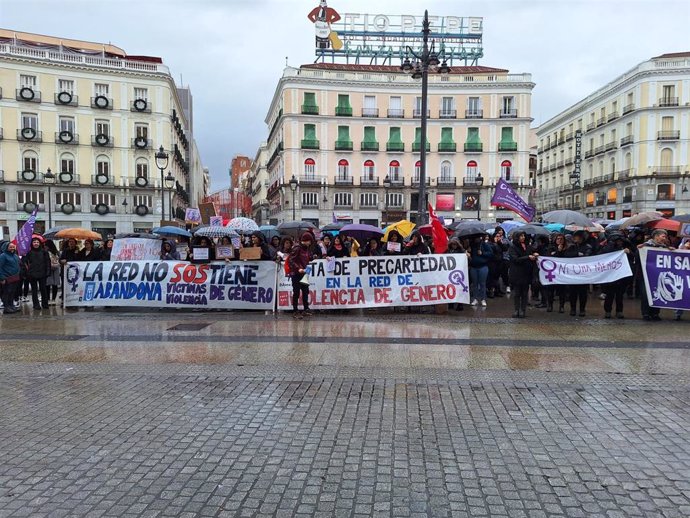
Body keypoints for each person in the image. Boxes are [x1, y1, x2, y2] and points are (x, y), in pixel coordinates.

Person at [638, 229, 673, 321]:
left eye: (665, 237)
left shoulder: (665, 248)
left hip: (658, 276)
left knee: (658, 294)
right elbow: (638, 260)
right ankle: (646, 313)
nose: (664, 239)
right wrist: (639, 250)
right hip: (645, 276)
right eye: (663, 236)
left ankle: (655, 313)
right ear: (656, 236)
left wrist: (672, 251)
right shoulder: (645, 246)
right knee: (646, 295)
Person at [600, 233, 634, 319]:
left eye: (621, 241)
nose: (619, 243)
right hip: (611, 276)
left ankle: (619, 311)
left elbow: (633, 257)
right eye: (618, 241)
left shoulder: (626, 248)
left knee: (619, 296)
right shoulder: (608, 248)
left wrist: (629, 252)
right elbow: (602, 255)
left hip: (621, 276)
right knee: (610, 295)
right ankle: (608, 311)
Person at [508, 231, 538, 318]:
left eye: (524, 236)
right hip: (517, 273)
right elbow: (515, 259)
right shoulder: (513, 248)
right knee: (517, 293)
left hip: (526, 273)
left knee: (524, 293)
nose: (523, 237)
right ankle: (516, 309)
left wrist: (534, 254)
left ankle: (522, 310)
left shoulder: (528, 247)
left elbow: (532, 253)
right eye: (521, 236)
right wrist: (528, 257)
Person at [563, 230, 592, 316]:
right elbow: (567, 255)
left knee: (583, 293)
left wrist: (580, 255)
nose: (575, 238)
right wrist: (577, 254)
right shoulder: (572, 247)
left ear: (582, 238)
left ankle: (582, 309)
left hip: (583, 274)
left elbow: (588, 257)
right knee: (573, 292)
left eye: (577, 237)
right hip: (573, 274)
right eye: (574, 237)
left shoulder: (587, 247)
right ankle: (573, 309)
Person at [288, 232, 316, 319]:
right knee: (296, 292)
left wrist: (313, 257)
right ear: (305, 241)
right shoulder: (297, 248)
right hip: (297, 273)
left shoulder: (306, 249)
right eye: (309, 241)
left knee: (305, 291)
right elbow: (291, 260)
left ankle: (306, 308)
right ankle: (295, 310)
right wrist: (298, 268)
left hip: (305, 272)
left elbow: (308, 258)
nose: (310, 243)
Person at [21, 237, 51, 310]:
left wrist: (48, 272)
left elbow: (48, 262)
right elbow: (23, 262)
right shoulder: (28, 252)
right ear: (32, 244)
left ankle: (45, 304)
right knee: (34, 290)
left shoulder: (44, 252)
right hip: (32, 274)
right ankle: (36, 305)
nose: (36, 243)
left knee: (43, 289)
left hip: (42, 273)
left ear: (39, 243)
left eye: (37, 242)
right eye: (34, 242)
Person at [545, 233, 569, 313]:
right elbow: (549, 258)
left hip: (562, 273)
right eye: (558, 239)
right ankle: (550, 305)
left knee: (562, 290)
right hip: (552, 273)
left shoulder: (567, 248)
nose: (559, 240)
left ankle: (561, 306)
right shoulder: (551, 248)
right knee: (550, 290)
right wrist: (558, 251)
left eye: (561, 239)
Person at [468, 235, 493, 307]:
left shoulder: (484, 244)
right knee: (475, 284)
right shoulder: (471, 245)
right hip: (474, 267)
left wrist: (483, 253)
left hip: (483, 266)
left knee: (482, 283)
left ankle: (483, 299)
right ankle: (475, 299)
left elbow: (490, 253)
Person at [0, 242, 21, 315]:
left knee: (12, 292)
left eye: (13, 247)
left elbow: (19, 264)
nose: (12, 248)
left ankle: (11, 305)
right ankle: (6, 306)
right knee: (7, 292)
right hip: (7, 278)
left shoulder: (15, 255)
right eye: (10, 247)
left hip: (15, 277)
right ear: (6, 248)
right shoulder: (3, 256)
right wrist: (2, 278)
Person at [44, 240, 61, 305]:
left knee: (54, 284)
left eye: (46, 245)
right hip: (51, 268)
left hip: (53, 268)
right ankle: (50, 299)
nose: (45, 246)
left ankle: (52, 299)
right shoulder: (46, 252)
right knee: (49, 284)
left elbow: (60, 258)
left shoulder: (55, 252)